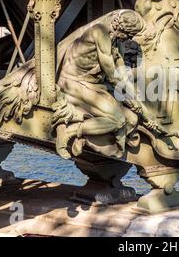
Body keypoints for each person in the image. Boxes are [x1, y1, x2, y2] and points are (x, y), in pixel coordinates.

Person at [53, 9, 145, 159]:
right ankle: (69, 132)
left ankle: (85, 139)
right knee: (118, 120)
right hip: (74, 83)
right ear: (120, 28)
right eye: (129, 34)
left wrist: (137, 102)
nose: (130, 38)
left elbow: (121, 73)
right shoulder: (99, 32)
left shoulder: (117, 40)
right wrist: (130, 100)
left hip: (94, 86)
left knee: (132, 119)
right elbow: (111, 74)